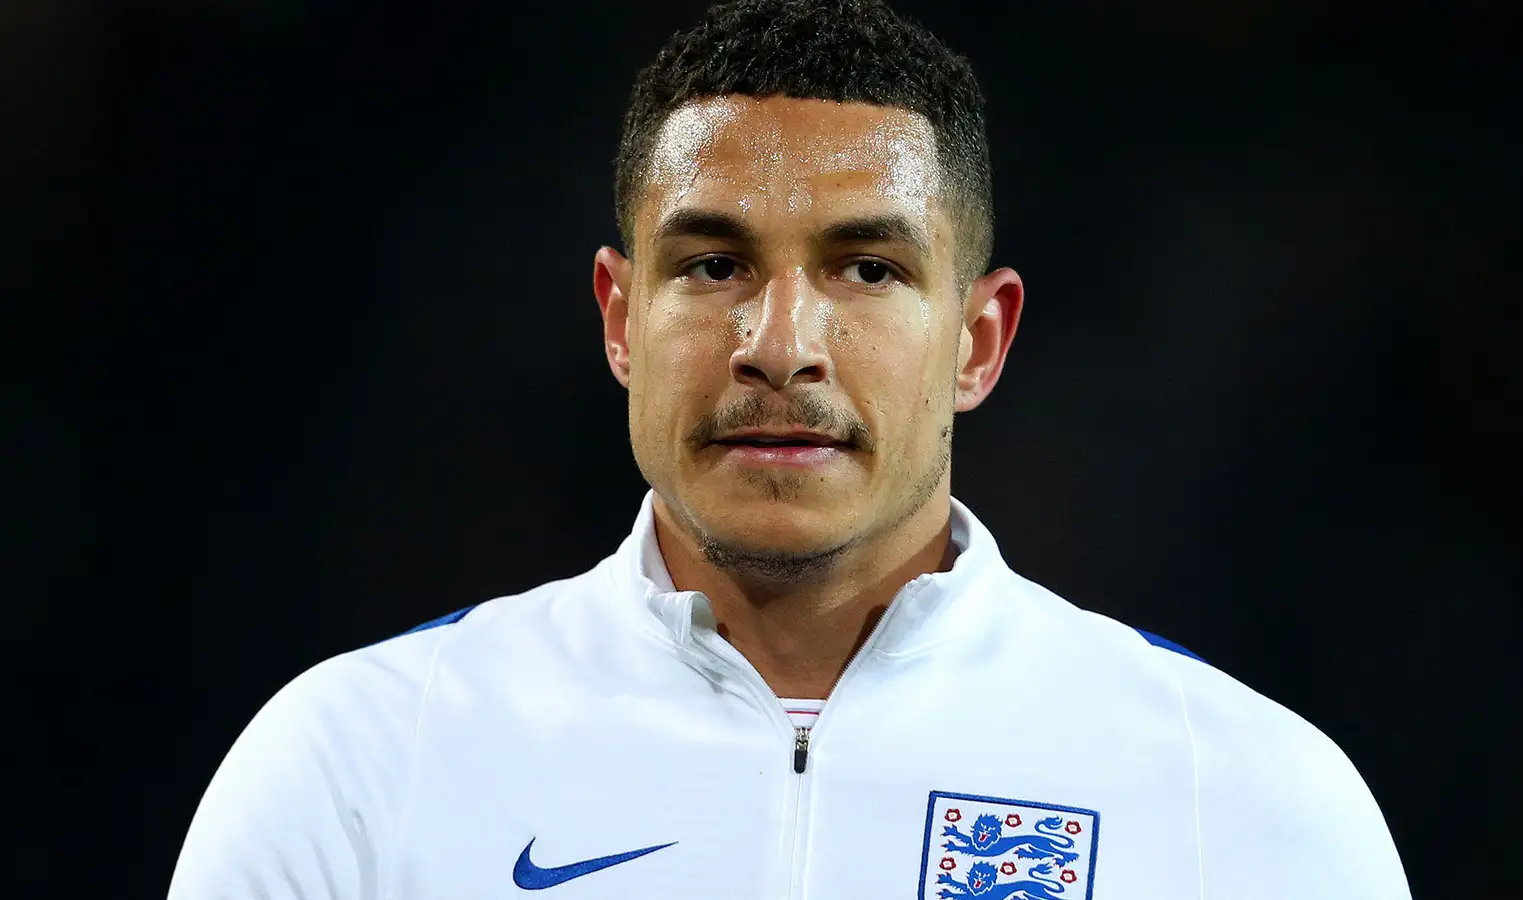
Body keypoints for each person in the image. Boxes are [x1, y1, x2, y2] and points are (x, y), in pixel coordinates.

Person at [168, 0, 1410, 897]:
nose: (780, 344)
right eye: (713, 266)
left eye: (866, 269)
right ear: (618, 318)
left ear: (977, 341)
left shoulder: (1236, 794)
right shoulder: (359, 763)